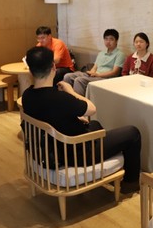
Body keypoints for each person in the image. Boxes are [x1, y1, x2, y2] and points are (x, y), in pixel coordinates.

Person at [22, 46, 142, 193]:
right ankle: (130, 183)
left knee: (94, 124)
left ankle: (106, 168)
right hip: (77, 153)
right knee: (133, 133)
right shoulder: (61, 98)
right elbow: (91, 108)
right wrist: (70, 91)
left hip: (52, 149)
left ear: (30, 70)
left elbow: (52, 116)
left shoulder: (27, 96)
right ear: (53, 67)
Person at [63, 29, 125, 96]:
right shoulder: (101, 53)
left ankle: (78, 101)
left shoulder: (119, 54)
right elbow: (95, 67)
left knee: (79, 80)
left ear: (116, 41)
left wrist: (97, 75)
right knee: (68, 76)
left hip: (105, 78)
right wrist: (91, 73)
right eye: (106, 39)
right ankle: (67, 98)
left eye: (111, 39)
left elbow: (115, 72)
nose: (108, 41)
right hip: (95, 75)